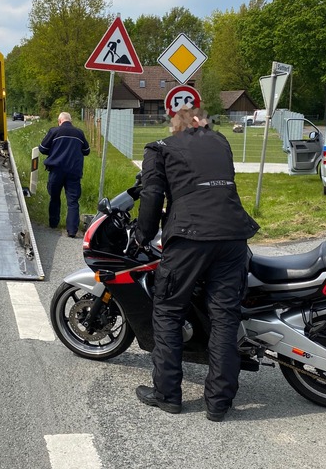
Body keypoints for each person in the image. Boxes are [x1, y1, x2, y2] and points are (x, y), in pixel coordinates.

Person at [134, 106, 259, 422]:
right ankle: (218, 403)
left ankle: (167, 395)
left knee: (168, 310)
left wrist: (142, 235)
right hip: (232, 236)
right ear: (200, 122)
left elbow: (152, 195)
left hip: (190, 238)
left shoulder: (160, 148)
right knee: (225, 317)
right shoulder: (221, 142)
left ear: (176, 126)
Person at [38, 112, 90, 237]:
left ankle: (53, 223)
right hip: (74, 171)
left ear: (59, 121)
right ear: (70, 121)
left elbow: (42, 148)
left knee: (54, 196)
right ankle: (72, 230)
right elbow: (86, 151)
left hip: (56, 170)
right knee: (73, 201)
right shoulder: (79, 133)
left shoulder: (54, 132)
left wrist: (55, 150)